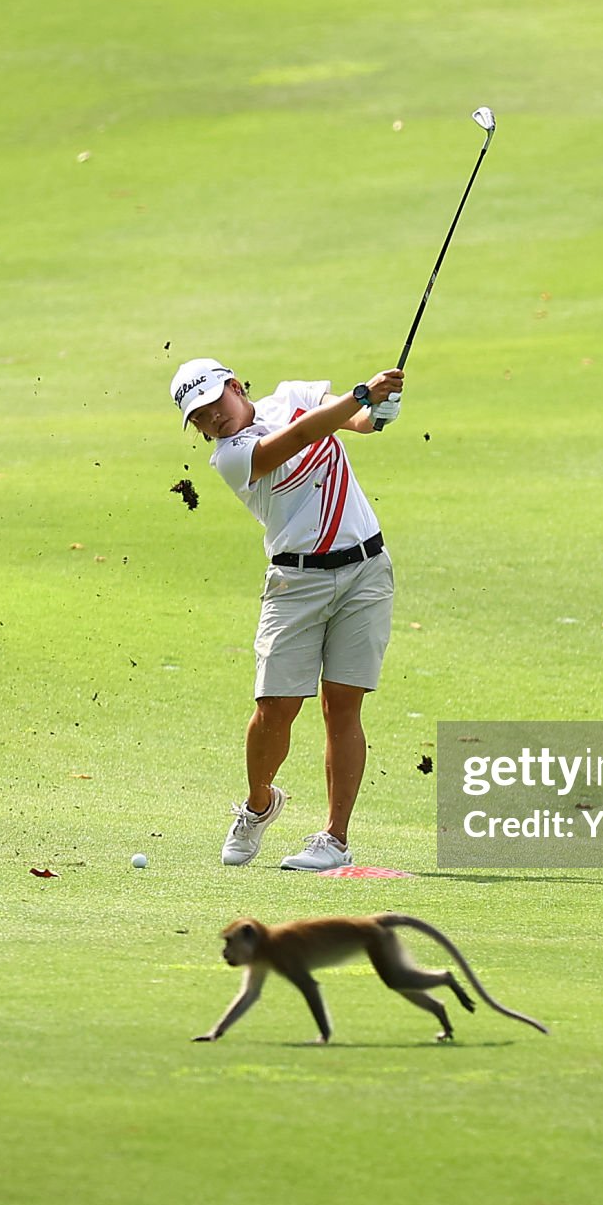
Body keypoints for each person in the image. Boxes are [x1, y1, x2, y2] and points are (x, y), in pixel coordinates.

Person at [170, 357, 406, 871]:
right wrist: (362, 393)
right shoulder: (231, 456)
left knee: (342, 705)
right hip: (295, 583)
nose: (212, 421)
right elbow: (299, 438)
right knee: (275, 707)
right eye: (199, 418)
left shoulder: (294, 394)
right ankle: (258, 805)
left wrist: (381, 408)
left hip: (365, 570)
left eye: (214, 405)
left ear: (234, 386)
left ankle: (334, 838)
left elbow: (356, 422)